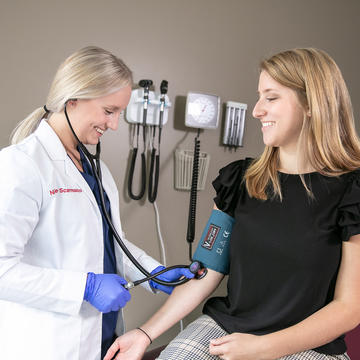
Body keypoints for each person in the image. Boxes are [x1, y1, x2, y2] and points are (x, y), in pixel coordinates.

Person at [104, 47, 360, 360]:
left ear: (311, 103)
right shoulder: (240, 181)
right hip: (228, 327)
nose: (257, 110)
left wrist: (263, 348)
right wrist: (145, 333)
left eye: (271, 97)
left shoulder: (352, 192)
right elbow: (207, 272)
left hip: (309, 344)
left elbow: (349, 308)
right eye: (259, 96)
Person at [0, 46, 193, 360]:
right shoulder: (21, 165)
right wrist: (85, 288)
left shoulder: (96, 169)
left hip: (102, 338)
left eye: (119, 113)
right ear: (72, 99)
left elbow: (110, 244)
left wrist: (154, 273)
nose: (114, 125)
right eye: (109, 110)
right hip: (47, 345)